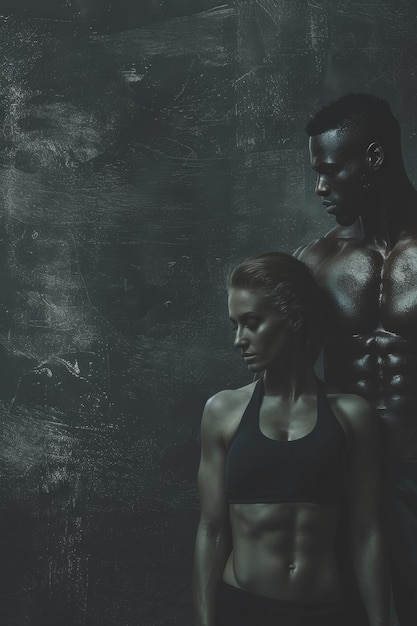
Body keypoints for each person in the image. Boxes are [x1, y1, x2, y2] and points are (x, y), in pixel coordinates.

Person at [192, 252, 388, 626]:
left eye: (251, 323)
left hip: (330, 612)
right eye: (235, 325)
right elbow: (212, 530)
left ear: (293, 318)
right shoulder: (223, 412)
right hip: (244, 610)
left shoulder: (352, 415)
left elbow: (367, 534)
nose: (239, 340)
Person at [297, 93, 417, 626]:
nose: (320, 188)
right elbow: (288, 381)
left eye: (330, 171)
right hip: (346, 477)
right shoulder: (316, 262)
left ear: (374, 157)